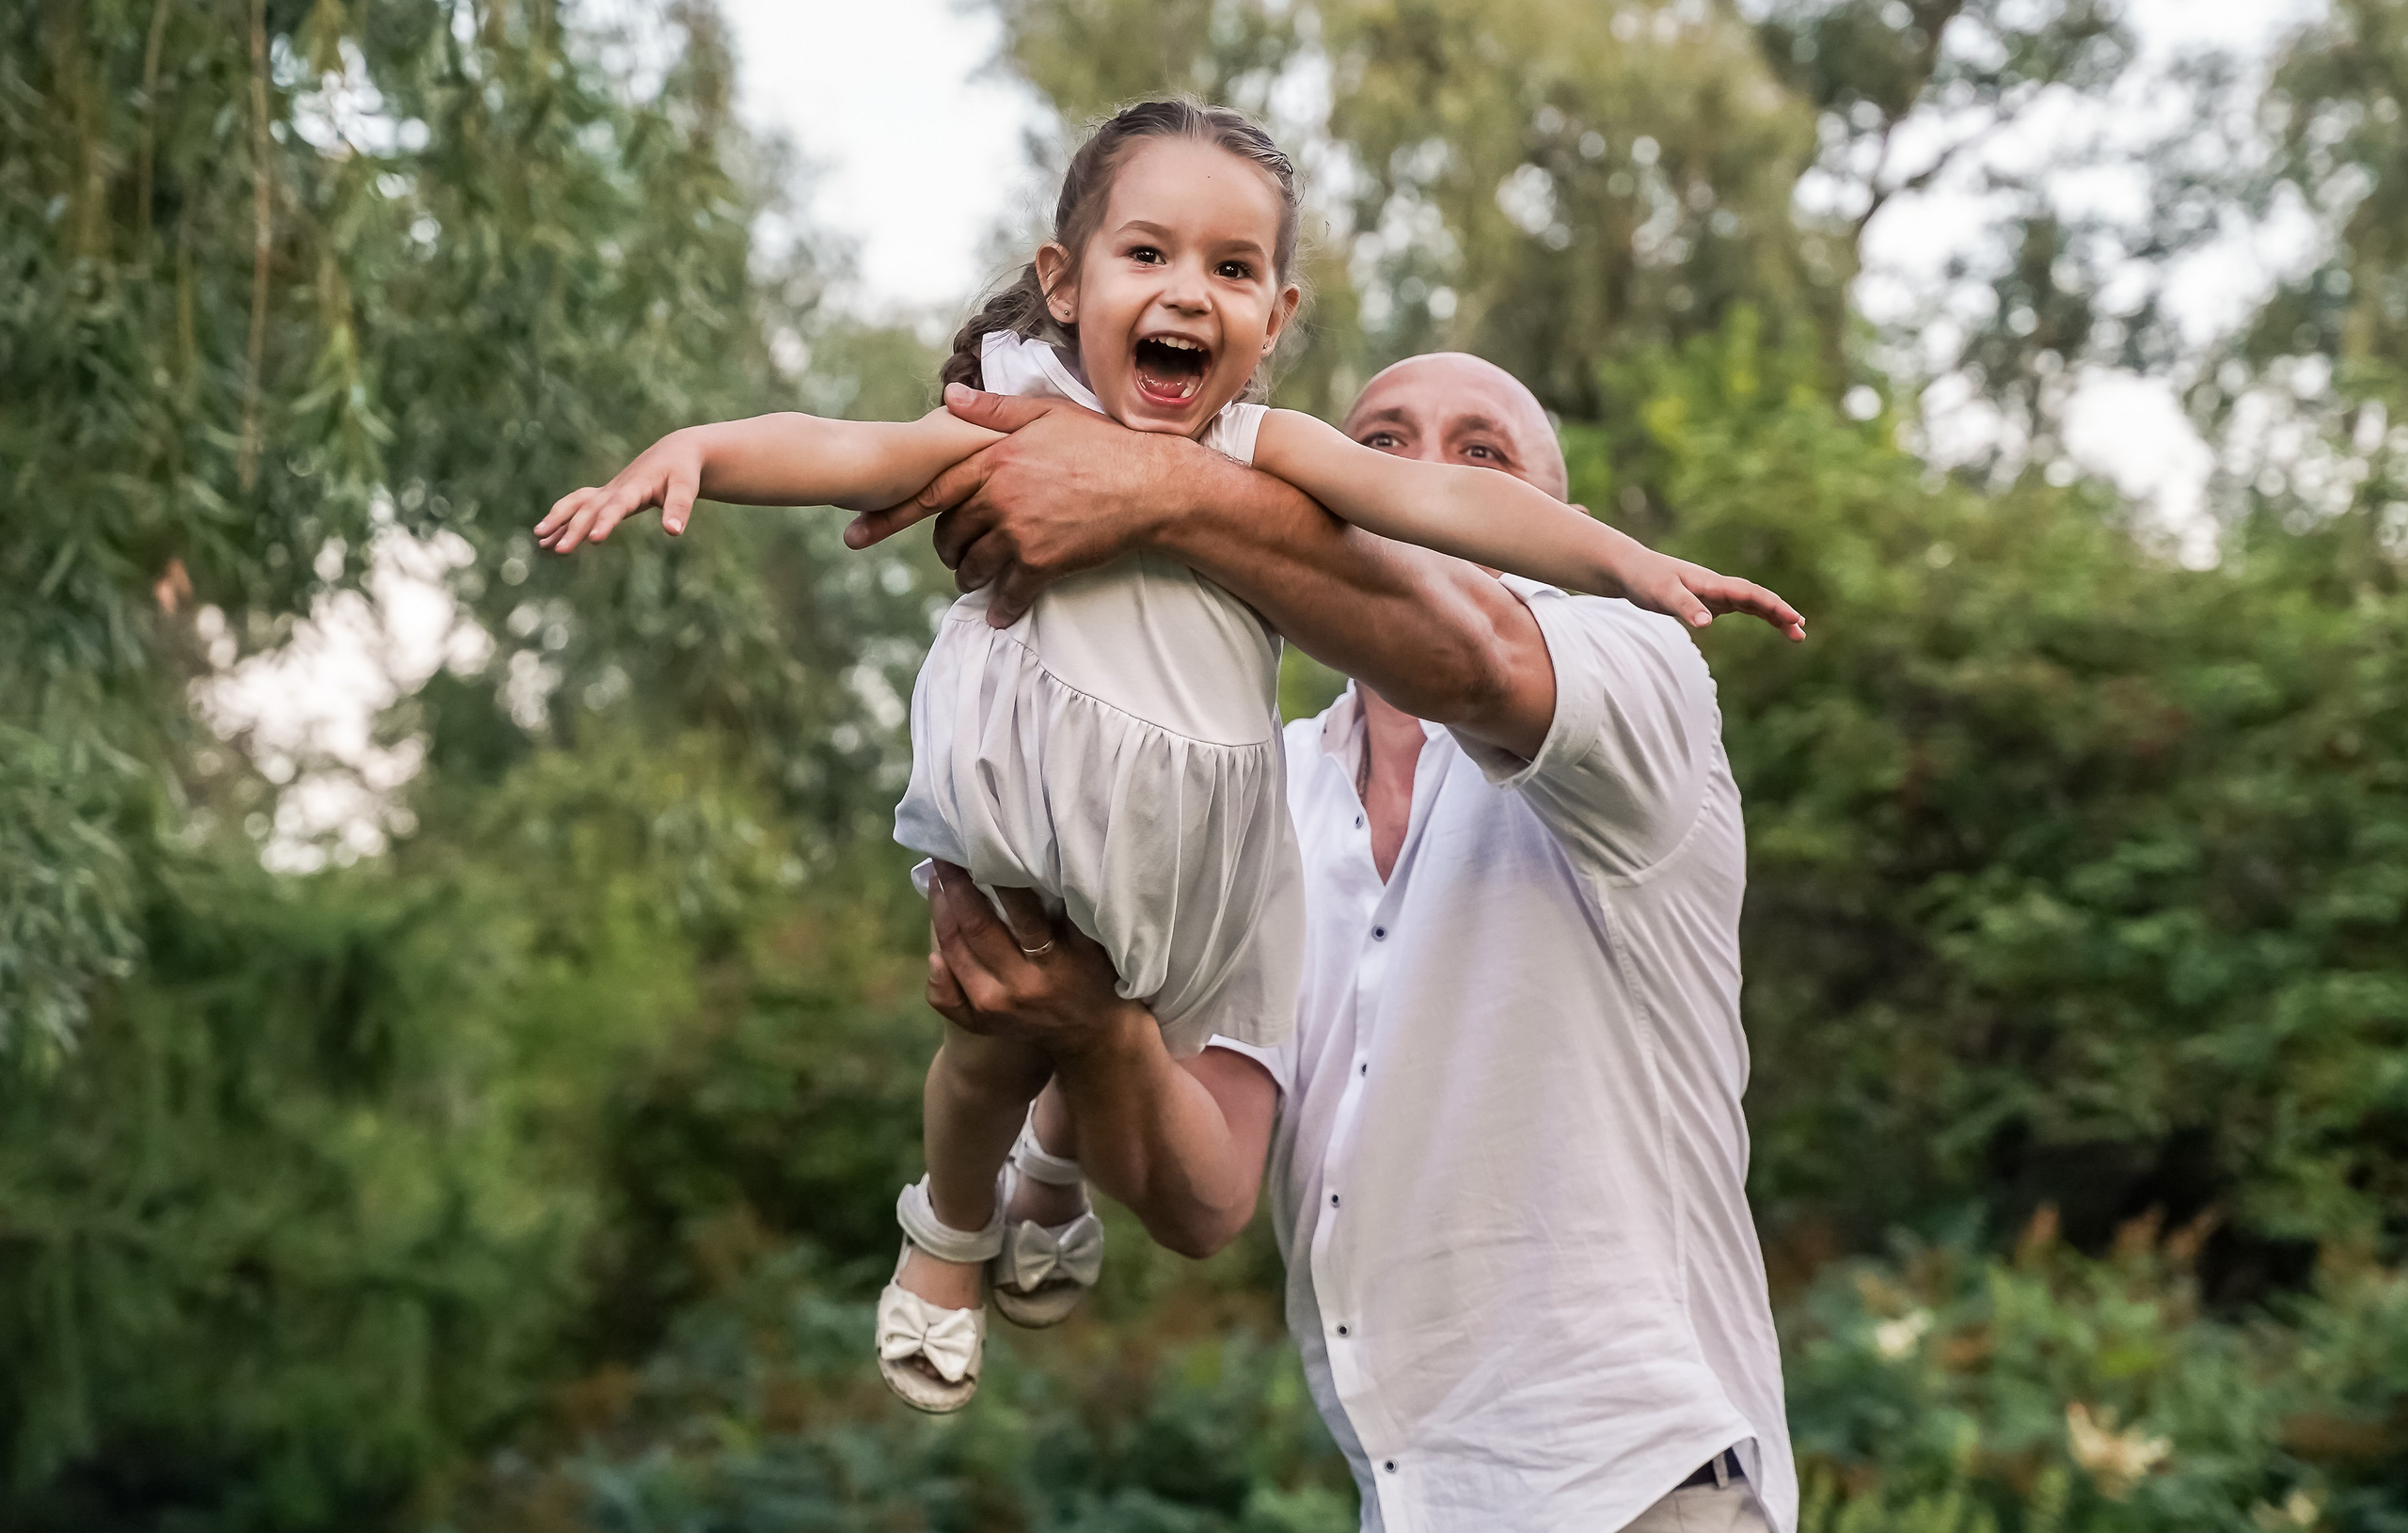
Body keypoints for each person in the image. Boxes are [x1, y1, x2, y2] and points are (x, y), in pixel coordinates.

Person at [535, 99, 1800, 1415]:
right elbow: (849, 449)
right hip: (1052, 832)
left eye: (1232, 268)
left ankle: (1042, 1173)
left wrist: (1634, 563)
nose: (1188, 290)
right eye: (1149, 256)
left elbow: (1461, 562)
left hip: (1636, 1455)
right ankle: (955, 1229)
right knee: (996, 1041)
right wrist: (696, 449)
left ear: (1273, 320)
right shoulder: (1052, 464)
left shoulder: (1628, 679)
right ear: (1063, 284)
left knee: (1118, 990)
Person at [852, 352, 1798, 1532]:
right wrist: (1088, 1031)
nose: (1422, 476)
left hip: (1646, 1490)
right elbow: (1203, 1197)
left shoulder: (1640, 676)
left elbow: (1471, 655)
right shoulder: (1268, 785)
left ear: (1553, 525)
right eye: (1379, 444)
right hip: (1405, 1506)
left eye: (1484, 452)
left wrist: (1155, 485)